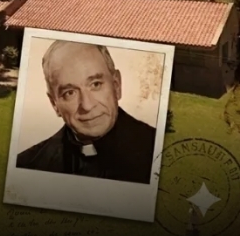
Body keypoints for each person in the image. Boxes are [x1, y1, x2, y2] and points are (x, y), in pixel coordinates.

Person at [15, 40, 157, 184]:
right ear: (54, 104)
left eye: (96, 84)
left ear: (116, 86)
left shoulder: (158, 151)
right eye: (70, 93)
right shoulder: (26, 165)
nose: (87, 106)